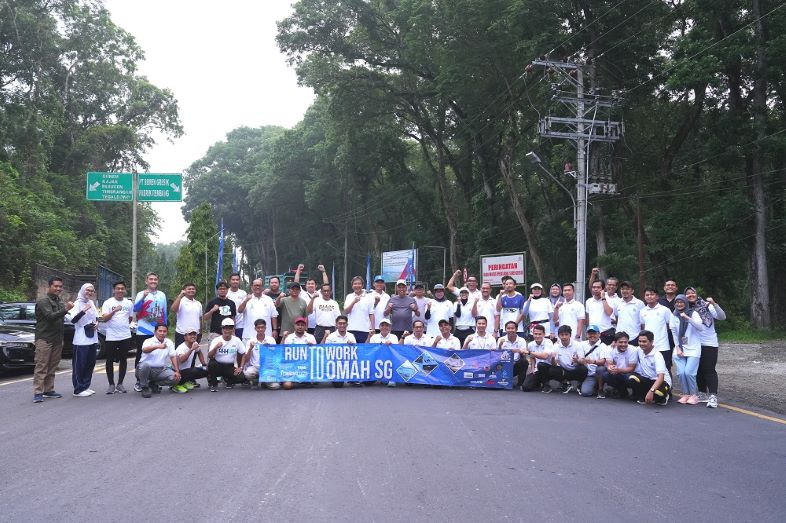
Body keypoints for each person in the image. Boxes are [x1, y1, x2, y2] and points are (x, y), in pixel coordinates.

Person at [684, 287, 726, 408]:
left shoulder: (707, 305)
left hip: (709, 342)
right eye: (687, 293)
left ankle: (713, 395)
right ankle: (702, 393)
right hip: (693, 343)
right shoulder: (685, 309)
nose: (690, 295)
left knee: (709, 369)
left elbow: (722, 317)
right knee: (698, 369)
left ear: (696, 294)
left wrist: (714, 304)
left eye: (692, 292)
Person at [133, 272, 167, 392]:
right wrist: (143, 297)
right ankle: (139, 381)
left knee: (156, 355)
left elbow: (164, 313)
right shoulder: (141, 294)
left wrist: (164, 328)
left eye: (155, 279)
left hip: (157, 331)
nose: (153, 281)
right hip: (143, 330)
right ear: (146, 281)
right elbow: (135, 309)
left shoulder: (162, 295)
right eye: (151, 279)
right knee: (141, 356)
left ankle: (152, 381)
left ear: (157, 281)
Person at [65, 283, 100, 397]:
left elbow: (95, 317)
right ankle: (78, 389)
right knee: (79, 364)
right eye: (87, 290)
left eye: (92, 291)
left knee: (90, 363)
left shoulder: (91, 302)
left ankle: (85, 386)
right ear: (82, 290)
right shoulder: (77, 303)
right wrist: (83, 310)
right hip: (81, 339)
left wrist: (97, 323)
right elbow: (73, 320)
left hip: (92, 337)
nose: (90, 292)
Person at [670, 294, 704, 405]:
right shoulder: (674, 315)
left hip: (693, 348)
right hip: (680, 348)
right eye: (677, 302)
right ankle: (685, 394)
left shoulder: (693, 313)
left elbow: (700, 327)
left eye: (681, 302)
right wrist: (678, 348)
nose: (679, 304)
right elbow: (674, 333)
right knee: (681, 373)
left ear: (686, 302)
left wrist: (688, 318)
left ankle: (693, 395)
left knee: (689, 372)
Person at [101, 280, 133, 394]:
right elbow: (104, 319)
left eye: (122, 288)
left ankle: (120, 384)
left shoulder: (129, 303)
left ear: (125, 290)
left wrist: (123, 327)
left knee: (123, 360)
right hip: (111, 336)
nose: (120, 290)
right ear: (114, 290)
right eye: (118, 288)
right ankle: (111, 384)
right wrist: (114, 311)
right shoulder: (108, 303)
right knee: (109, 360)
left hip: (125, 335)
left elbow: (130, 318)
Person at [137, 324, 182, 398]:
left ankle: (153, 383)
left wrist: (177, 371)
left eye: (164, 331)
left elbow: (173, 356)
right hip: (145, 370)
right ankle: (144, 387)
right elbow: (144, 350)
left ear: (167, 332)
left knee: (176, 378)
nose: (162, 333)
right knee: (145, 365)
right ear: (155, 332)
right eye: (160, 331)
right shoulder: (148, 341)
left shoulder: (169, 342)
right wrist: (157, 346)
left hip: (160, 370)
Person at [628, 330, 671, 405]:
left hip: (661, 382)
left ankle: (665, 395)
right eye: (640, 341)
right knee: (632, 378)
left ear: (651, 342)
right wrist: (614, 343)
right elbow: (627, 346)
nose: (641, 344)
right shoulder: (639, 349)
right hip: (647, 380)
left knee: (658, 394)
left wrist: (651, 391)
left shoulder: (657, 355)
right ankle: (645, 396)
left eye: (644, 341)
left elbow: (661, 377)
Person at [207, 318, 247, 392]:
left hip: (229, 366)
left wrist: (240, 367)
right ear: (222, 329)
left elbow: (244, 354)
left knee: (242, 378)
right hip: (217, 365)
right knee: (211, 364)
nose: (227, 331)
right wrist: (216, 347)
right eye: (225, 328)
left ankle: (228, 380)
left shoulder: (236, 340)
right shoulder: (216, 340)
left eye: (230, 328)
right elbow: (209, 356)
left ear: (233, 329)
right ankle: (214, 384)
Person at [546, 325, 588, 394]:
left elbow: (583, 361)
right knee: (552, 369)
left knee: (583, 369)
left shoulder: (578, 345)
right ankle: (566, 383)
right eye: (562, 335)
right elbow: (554, 364)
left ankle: (579, 384)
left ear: (570, 335)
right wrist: (553, 358)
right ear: (559, 336)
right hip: (564, 371)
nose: (564, 337)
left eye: (566, 334)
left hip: (575, 370)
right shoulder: (556, 346)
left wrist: (577, 360)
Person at [240, 319, 278, 390]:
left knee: (275, 386)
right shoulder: (251, 341)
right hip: (255, 367)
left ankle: (264, 381)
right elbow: (247, 359)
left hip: (267, 367)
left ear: (265, 328)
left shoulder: (271, 340)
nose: (260, 329)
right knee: (248, 373)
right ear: (255, 328)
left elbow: (275, 356)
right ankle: (255, 380)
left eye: (262, 327)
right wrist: (250, 348)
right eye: (258, 327)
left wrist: (269, 348)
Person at [293, 263, 330, 334]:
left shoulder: (320, 293)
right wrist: (298, 270)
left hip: (318, 325)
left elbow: (326, 284)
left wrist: (323, 271)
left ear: (316, 286)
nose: (310, 285)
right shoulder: (302, 294)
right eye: (308, 284)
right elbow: (296, 283)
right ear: (305, 286)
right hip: (305, 325)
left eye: (312, 284)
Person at [601, 331, 639, 399]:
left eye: (625, 342)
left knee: (630, 378)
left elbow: (631, 368)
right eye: (620, 342)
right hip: (618, 372)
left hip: (630, 373)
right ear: (615, 342)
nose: (623, 344)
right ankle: (622, 391)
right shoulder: (609, 349)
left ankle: (636, 393)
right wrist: (611, 368)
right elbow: (610, 364)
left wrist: (618, 370)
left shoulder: (633, 350)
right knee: (605, 375)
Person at [282, 317, 317, 389]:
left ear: (305, 326)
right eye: (298, 325)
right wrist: (283, 338)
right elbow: (282, 352)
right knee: (287, 386)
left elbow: (316, 354)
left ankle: (303, 380)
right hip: (292, 366)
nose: (300, 327)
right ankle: (298, 381)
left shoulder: (311, 337)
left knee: (315, 380)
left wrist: (312, 347)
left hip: (306, 365)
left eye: (302, 325)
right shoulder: (289, 337)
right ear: (294, 326)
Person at [323, 315, 358, 388]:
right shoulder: (330, 337)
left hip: (348, 363)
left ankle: (351, 377)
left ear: (347, 324)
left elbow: (356, 352)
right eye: (340, 323)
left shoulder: (351, 336)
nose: (342, 325)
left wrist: (352, 346)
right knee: (338, 385)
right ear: (336, 325)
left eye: (344, 323)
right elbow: (325, 352)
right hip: (335, 364)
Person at [639, 287, 672, 361]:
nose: (649, 296)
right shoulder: (642, 311)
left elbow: (670, 326)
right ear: (644, 297)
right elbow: (643, 327)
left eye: (652, 294)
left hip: (663, 346)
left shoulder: (665, 310)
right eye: (647, 295)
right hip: (648, 346)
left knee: (666, 369)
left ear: (657, 297)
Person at [577, 325, 609, 398]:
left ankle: (600, 390)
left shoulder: (603, 346)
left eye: (594, 333)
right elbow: (581, 359)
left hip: (599, 373)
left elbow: (603, 361)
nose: (592, 335)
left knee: (600, 368)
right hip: (589, 374)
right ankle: (593, 387)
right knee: (585, 393)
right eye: (590, 333)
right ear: (587, 334)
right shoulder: (582, 344)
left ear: (599, 334)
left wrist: (593, 361)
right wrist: (579, 360)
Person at [498, 320, 530, 389]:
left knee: (524, 362)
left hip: (516, 365)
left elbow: (524, 354)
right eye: (508, 328)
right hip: (504, 365)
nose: (510, 330)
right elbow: (497, 355)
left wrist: (520, 351)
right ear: (505, 329)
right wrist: (500, 345)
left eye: (512, 328)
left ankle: (520, 383)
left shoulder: (521, 340)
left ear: (516, 329)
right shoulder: (501, 339)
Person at [170, 282, 203, 349]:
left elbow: (200, 318)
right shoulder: (181, 301)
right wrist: (180, 296)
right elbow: (173, 309)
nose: (191, 290)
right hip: (182, 334)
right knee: (180, 356)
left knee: (193, 356)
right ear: (184, 290)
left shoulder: (198, 303)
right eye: (189, 289)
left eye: (193, 289)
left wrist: (200, 333)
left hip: (195, 334)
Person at [344, 276, 375, 343]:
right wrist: (353, 302)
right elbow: (346, 311)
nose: (357, 285)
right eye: (355, 284)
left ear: (362, 285)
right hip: (351, 329)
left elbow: (371, 314)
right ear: (352, 286)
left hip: (365, 330)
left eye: (359, 283)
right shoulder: (349, 296)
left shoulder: (369, 297)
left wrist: (373, 328)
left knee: (363, 351)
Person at [585, 280, 614, 345]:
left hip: (606, 333)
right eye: (594, 287)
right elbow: (588, 318)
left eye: (598, 287)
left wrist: (603, 298)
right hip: (592, 333)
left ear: (603, 289)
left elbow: (609, 312)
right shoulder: (588, 301)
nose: (595, 289)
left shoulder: (610, 300)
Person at [226, 273, 247, 339]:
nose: (235, 281)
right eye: (233, 279)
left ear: (239, 281)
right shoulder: (226, 293)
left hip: (241, 325)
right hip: (228, 326)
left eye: (237, 280)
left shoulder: (243, 293)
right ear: (229, 281)